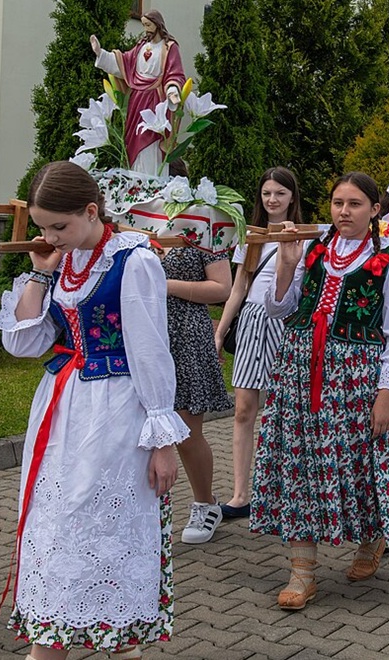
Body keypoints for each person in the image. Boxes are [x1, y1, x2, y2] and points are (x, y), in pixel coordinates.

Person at [0, 161, 186, 660]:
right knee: (55, 524)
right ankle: (51, 636)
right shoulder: (64, 261)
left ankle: (117, 640)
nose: (51, 236)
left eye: (59, 226)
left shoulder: (134, 259)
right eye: (42, 227)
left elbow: (150, 351)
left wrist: (162, 441)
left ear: (91, 210)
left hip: (118, 410)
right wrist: (40, 271)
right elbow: (26, 343)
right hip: (64, 410)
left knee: (103, 526)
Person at [250, 172, 389, 611]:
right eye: (336, 203)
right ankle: (302, 572)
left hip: (356, 378)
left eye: (353, 204)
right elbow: (279, 308)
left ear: (374, 210)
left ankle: (371, 540)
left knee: (357, 465)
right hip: (297, 370)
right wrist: (287, 265)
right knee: (299, 464)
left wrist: (387, 393)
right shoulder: (310, 248)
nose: (343, 212)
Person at [213, 167, 300, 520]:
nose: (273, 199)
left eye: (280, 192)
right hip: (251, 320)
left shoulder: (305, 237)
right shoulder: (251, 237)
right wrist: (219, 333)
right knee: (244, 409)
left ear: (292, 197)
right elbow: (237, 290)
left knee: (287, 411)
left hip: (287, 322)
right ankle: (240, 494)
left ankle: (286, 489)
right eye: (267, 193)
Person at [161, 205, 234, 544]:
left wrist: (165, 285)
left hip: (186, 333)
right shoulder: (128, 225)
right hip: (141, 331)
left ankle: (206, 504)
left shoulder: (203, 226)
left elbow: (222, 288)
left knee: (187, 431)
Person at [90, 10, 185, 174]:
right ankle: (135, 183)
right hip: (136, 102)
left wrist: (172, 91)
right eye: (144, 25)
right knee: (133, 140)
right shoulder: (141, 46)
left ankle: (152, 182)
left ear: (157, 24)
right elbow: (123, 64)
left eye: (148, 25)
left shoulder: (169, 47)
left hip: (156, 102)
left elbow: (174, 74)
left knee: (151, 141)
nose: (146, 28)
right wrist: (101, 53)